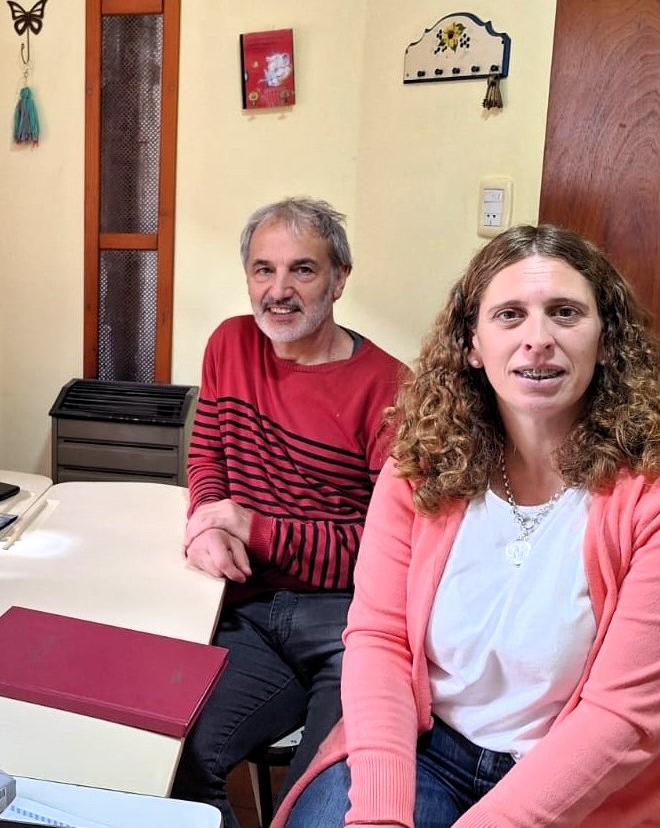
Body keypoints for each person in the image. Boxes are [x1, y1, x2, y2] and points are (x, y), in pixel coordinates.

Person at [281, 225, 660, 827]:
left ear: (607, 340)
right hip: (428, 750)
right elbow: (380, 640)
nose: (538, 339)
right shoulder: (420, 468)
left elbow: (623, 717)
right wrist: (380, 812)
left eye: (565, 313)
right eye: (510, 315)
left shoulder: (647, 495)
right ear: (473, 345)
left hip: (575, 784)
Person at [170, 198, 404, 827]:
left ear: (339, 279)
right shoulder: (230, 344)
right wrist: (204, 520)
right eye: (263, 270)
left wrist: (253, 528)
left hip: (349, 622)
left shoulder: (390, 390)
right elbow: (208, 453)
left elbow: (389, 549)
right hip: (244, 606)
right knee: (175, 759)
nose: (278, 291)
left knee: (318, 805)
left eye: (302, 269)